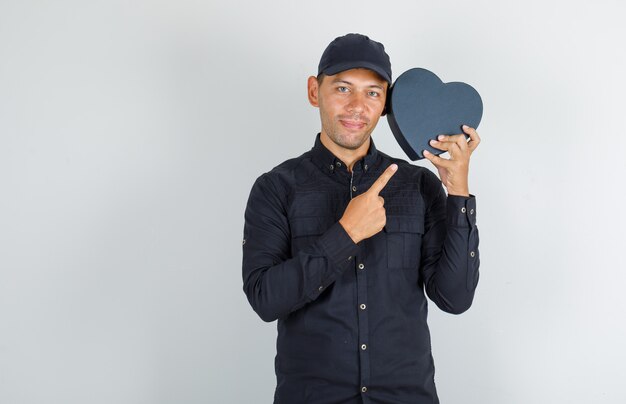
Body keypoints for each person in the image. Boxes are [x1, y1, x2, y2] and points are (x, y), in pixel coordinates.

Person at [241, 33, 481, 404]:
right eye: (342, 88)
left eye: (372, 92)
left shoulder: (419, 186)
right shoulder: (275, 188)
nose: (357, 106)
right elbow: (265, 299)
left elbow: (455, 298)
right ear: (313, 91)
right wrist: (345, 234)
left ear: (386, 104)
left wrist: (458, 194)